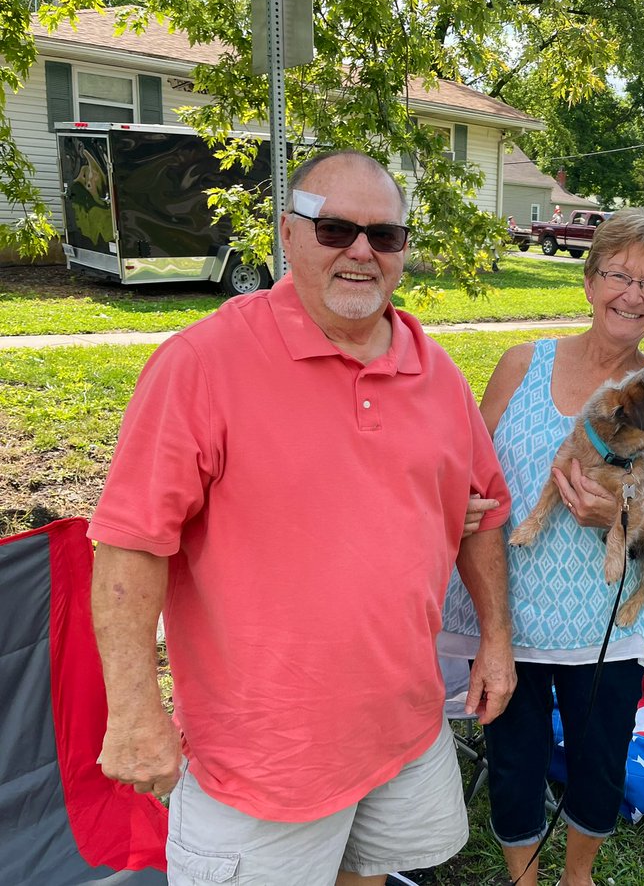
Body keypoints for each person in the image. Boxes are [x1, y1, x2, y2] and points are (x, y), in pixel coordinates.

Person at [88, 149, 517, 886]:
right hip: (265, 755)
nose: (361, 252)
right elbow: (130, 543)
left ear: (404, 252)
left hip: (401, 727)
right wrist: (131, 711)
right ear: (287, 234)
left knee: (371, 873)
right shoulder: (204, 363)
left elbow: (479, 515)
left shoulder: (435, 370)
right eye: (336, 230)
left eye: (384, 236)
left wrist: (498, 642)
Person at [441, 207, 644, 886]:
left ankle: (577, 877)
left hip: (604, 625)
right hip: (507, 617)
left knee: (599, 762)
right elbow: (466, 474)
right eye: (619, 274)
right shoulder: (519, 365)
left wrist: (630, 522)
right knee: (512, 757)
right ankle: (523, 879)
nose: (632, 294)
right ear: (591, 279)